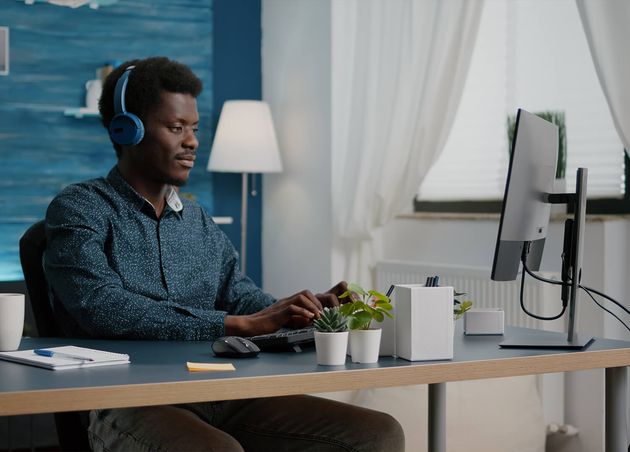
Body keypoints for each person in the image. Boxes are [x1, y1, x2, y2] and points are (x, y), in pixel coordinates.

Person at [44, 56, 404, 452]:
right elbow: (104, 307)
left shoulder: (196, 219)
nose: (193, 141)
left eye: (194, 128)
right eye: (176, 128)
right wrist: (238, 325)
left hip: (220, 389)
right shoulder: (80, 208)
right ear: (128, 131)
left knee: (378, 433)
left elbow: (243, 297)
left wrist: (299, 311)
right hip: (127, 401)